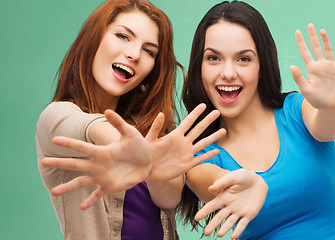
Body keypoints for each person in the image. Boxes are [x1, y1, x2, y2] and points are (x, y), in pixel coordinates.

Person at [35, 0, 266, 239]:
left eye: (149, 51)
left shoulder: (153, 127)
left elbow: (168, 197)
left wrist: (154, 168)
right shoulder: (56, 117)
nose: (134, 54)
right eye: (123, 36)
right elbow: (91, 128)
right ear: (94, 38)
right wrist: (129, 149)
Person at [179, 1, 335, 239]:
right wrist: (237, 184)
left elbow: (327, 126)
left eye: (243, 59)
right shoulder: (200, 151)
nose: (228, 73)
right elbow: (209, 180)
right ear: (199, 67)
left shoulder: (295, 112)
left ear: (262, 65)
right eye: (213, 58)